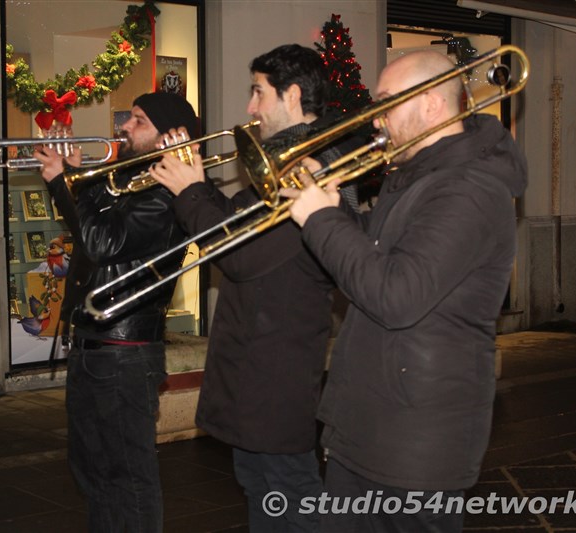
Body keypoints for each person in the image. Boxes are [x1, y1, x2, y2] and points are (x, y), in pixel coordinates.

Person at [281, 50, 528, 532]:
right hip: (371, 425)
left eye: (387, 103)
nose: (377, 116)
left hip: (416, 444)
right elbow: (371, 261)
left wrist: (321, 218)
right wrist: (333, 209)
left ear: (432, 106)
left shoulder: (470, 189)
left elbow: (397, 296)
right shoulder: (416, 178)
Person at [149, 43, 359, 532]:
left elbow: (241, 254)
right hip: (255, 360)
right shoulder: (279, 159)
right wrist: (194, 186)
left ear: (290, 94)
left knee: (292, 492)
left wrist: (191, 190)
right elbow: (234, 226)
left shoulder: (309, 167)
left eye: (256, 93)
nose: (248, 107)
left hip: (278, 366)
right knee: (260, 486)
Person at [32, 91, 200, 533]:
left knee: (128, 478)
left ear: (169, 135)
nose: (124, 126)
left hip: (125, 351)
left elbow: (102, 243)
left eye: (138, 120)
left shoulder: (166, 195)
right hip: (95, 346)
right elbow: (96, 231)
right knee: (92, 471)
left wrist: (62, 182)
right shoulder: (131, 181)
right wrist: (76, 178)